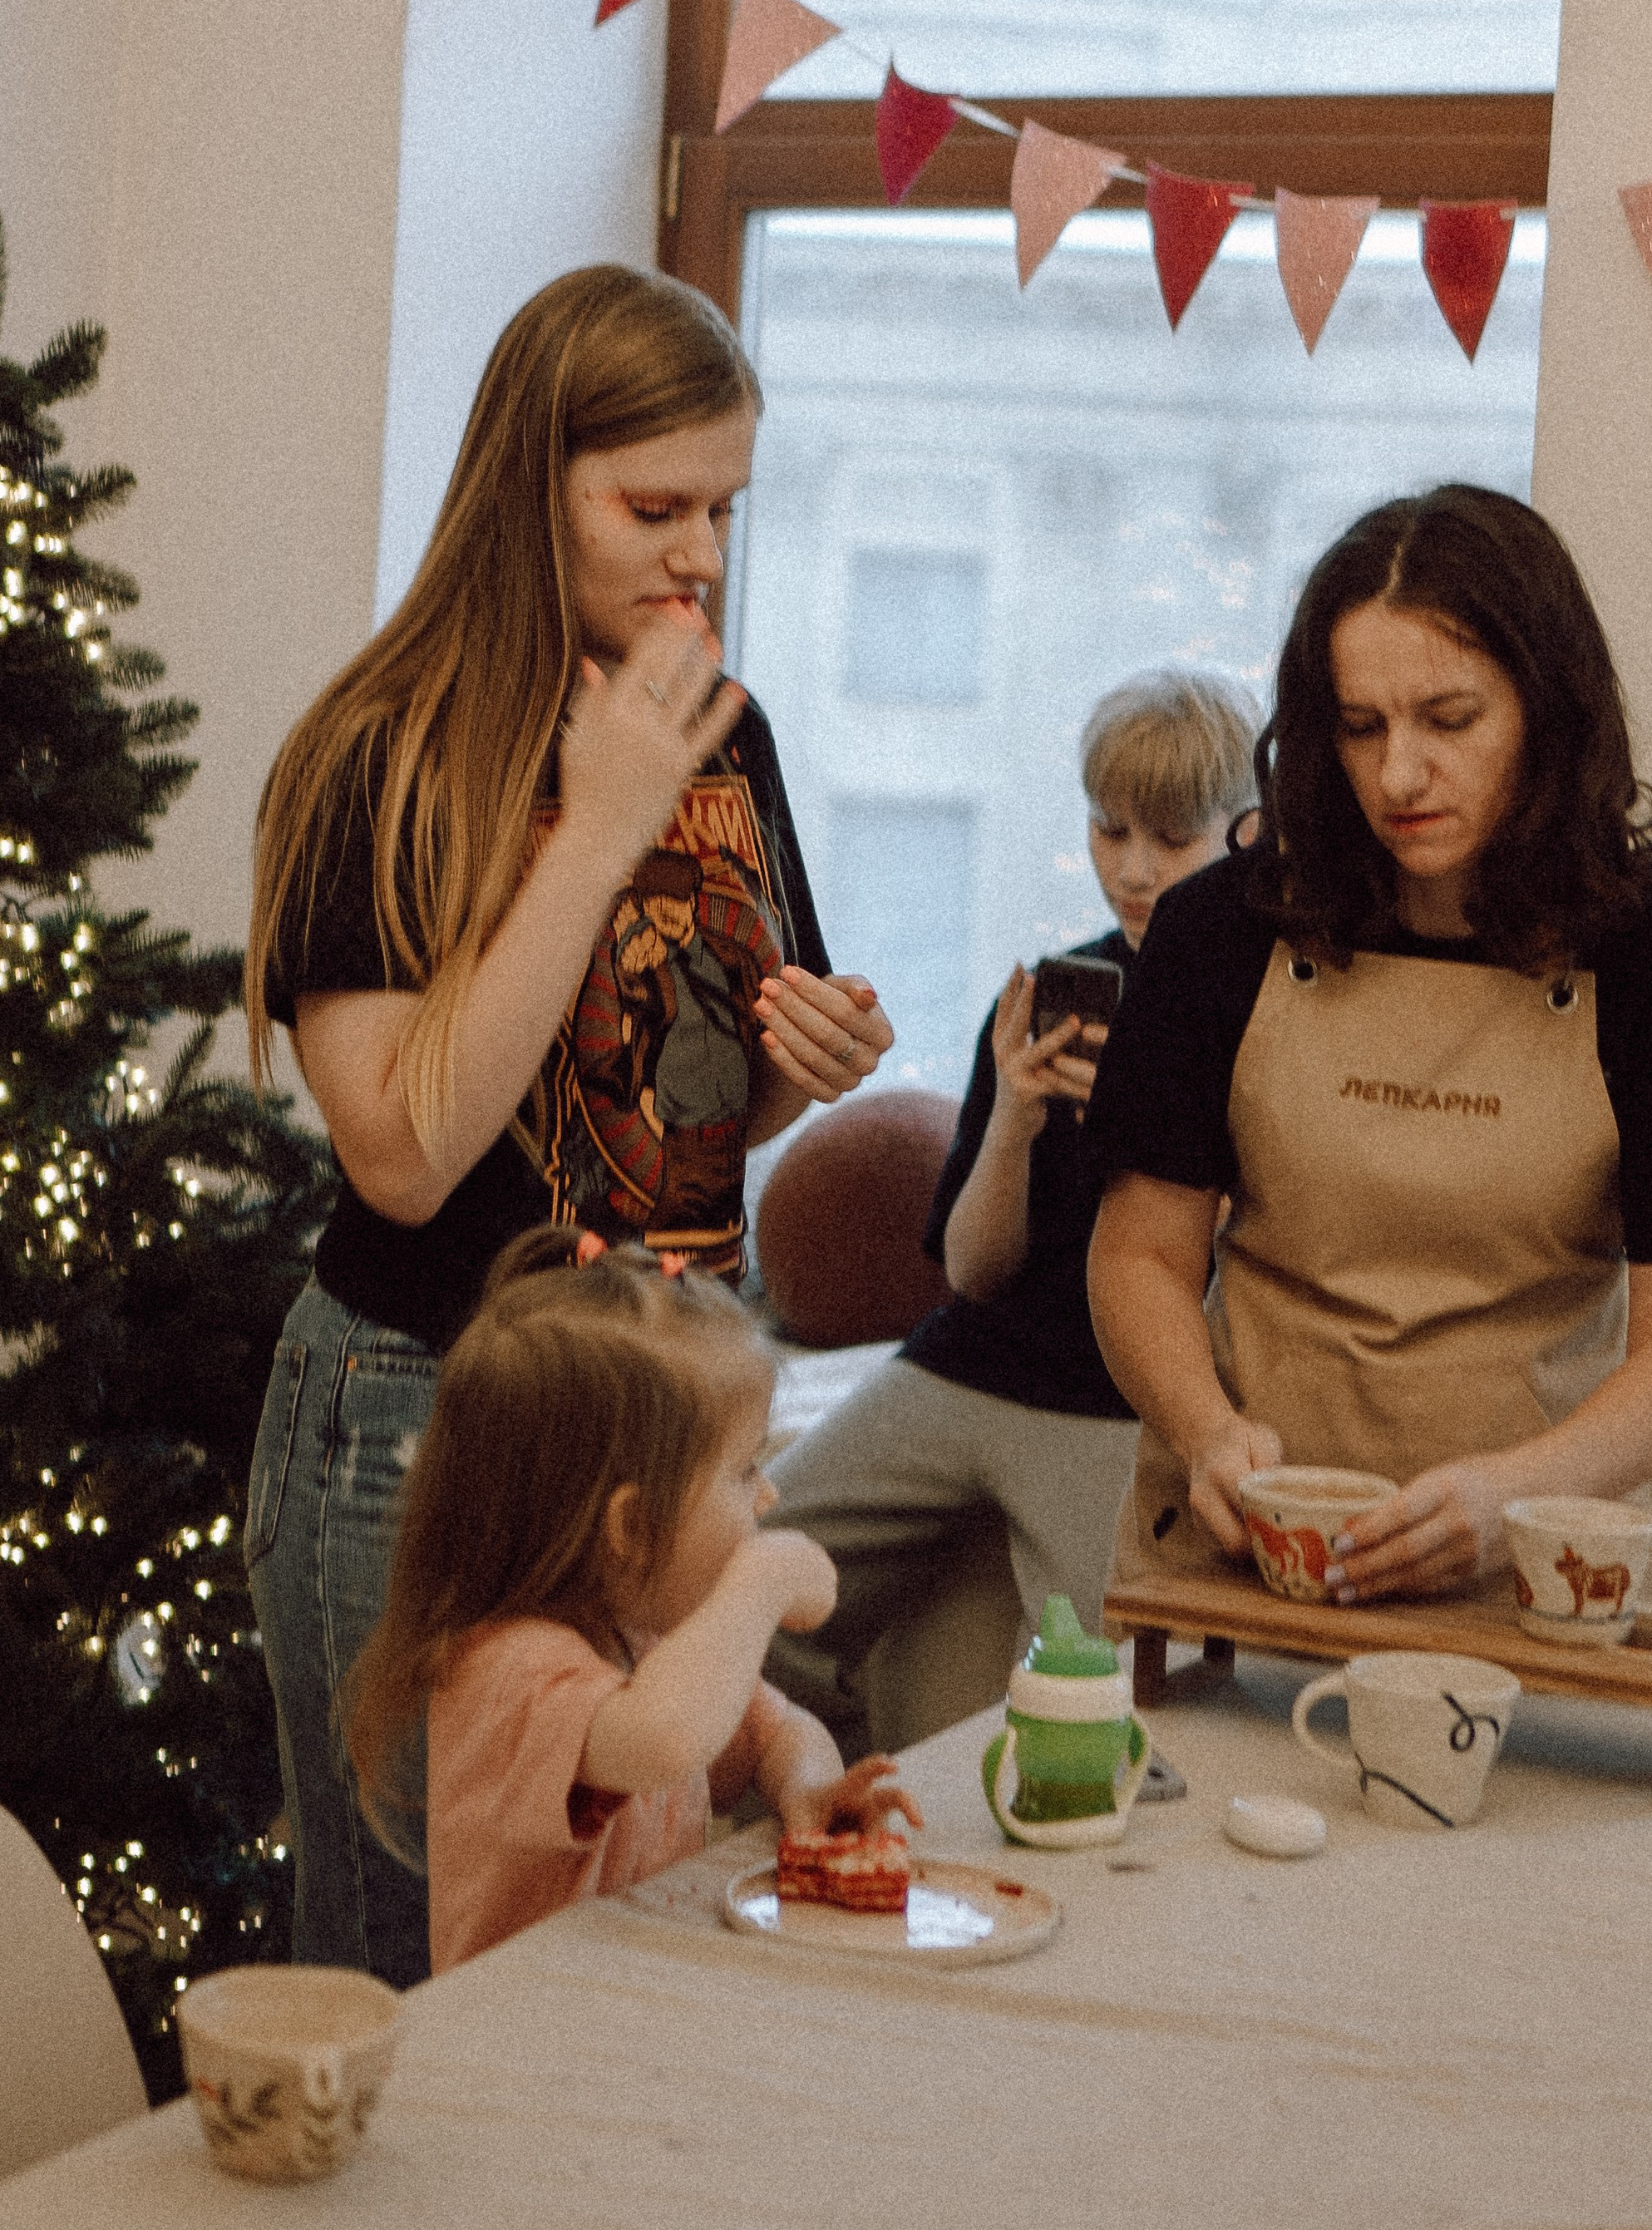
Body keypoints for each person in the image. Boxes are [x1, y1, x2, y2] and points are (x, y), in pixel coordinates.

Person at [243, 266, 894, 1986]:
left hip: (657, 1430)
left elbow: (696, 1101)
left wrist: (790, 1064)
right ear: (526, 489)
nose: (697, 555)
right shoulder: (379, 757)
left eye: (723, 511)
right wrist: (591, 832)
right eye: (650, 506)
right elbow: (402, 1153)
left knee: (623, 1952)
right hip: (425, 1413)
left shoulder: (718, 734)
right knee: (415, 1974)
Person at [1086, 487, 1652, 1604]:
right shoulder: (1220, 931)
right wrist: (1205, 1428)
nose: (1400, 775)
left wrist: (1520, 1495)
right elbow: (1139, 1259)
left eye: (1449, 721)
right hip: (1243, 1554)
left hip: (1531, 1562)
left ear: (1549, 713)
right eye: (1363, 728)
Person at [763, 669, 1258, 1754]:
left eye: (1170, 838)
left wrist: (1157, 1120)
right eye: (1107, 828)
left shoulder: (1266, 1010)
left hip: (1114, 1405)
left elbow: (1236, 1278)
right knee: (737, 1581)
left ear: (1248, 832)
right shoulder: (1053, 993)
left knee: (1087, 1708)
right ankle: (828, 1785)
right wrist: (1015, 1119)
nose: (1130, 868)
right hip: (967, 1365)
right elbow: (974, 1273)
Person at [342, 1230, 918, 1974]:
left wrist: (804, 1789)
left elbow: (779, 1730)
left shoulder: (645, 1638)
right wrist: (763, 1580)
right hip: (529, 2053)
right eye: (744, 1472)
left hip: (631, 2019)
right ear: (630, 1526)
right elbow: (665, 1738)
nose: (768, 1495)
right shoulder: (511, 1673)